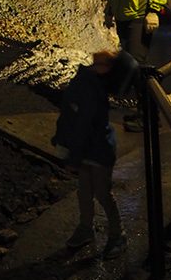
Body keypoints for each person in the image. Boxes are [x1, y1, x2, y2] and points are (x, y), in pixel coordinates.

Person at [51, 49, 137, 258]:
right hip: (95, 147)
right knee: (85, 191)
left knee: (100, 193)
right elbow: (74, 117)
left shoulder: (90, 87)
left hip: (97, 150)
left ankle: (118, 235)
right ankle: (86, 229)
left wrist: (72, 156)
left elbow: (82, 124)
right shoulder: (91, 83)